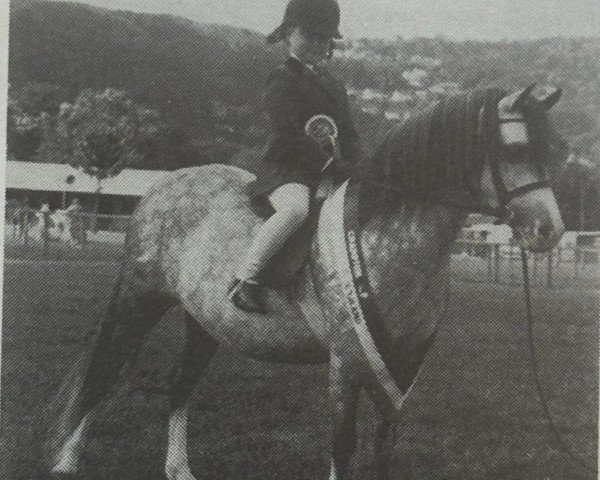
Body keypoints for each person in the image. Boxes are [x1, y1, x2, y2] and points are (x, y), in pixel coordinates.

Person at [228, 0, 364, 314]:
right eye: (310, 35)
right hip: (286, 169)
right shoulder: (281, 78)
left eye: (324, 37)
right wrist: (329, 164)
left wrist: (361, 166)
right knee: (296, 211)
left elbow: (349, 134)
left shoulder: (334, 85)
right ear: (289, 33)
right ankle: (246, 278)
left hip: (327, 172)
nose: (318, 43)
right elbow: (288, 133)